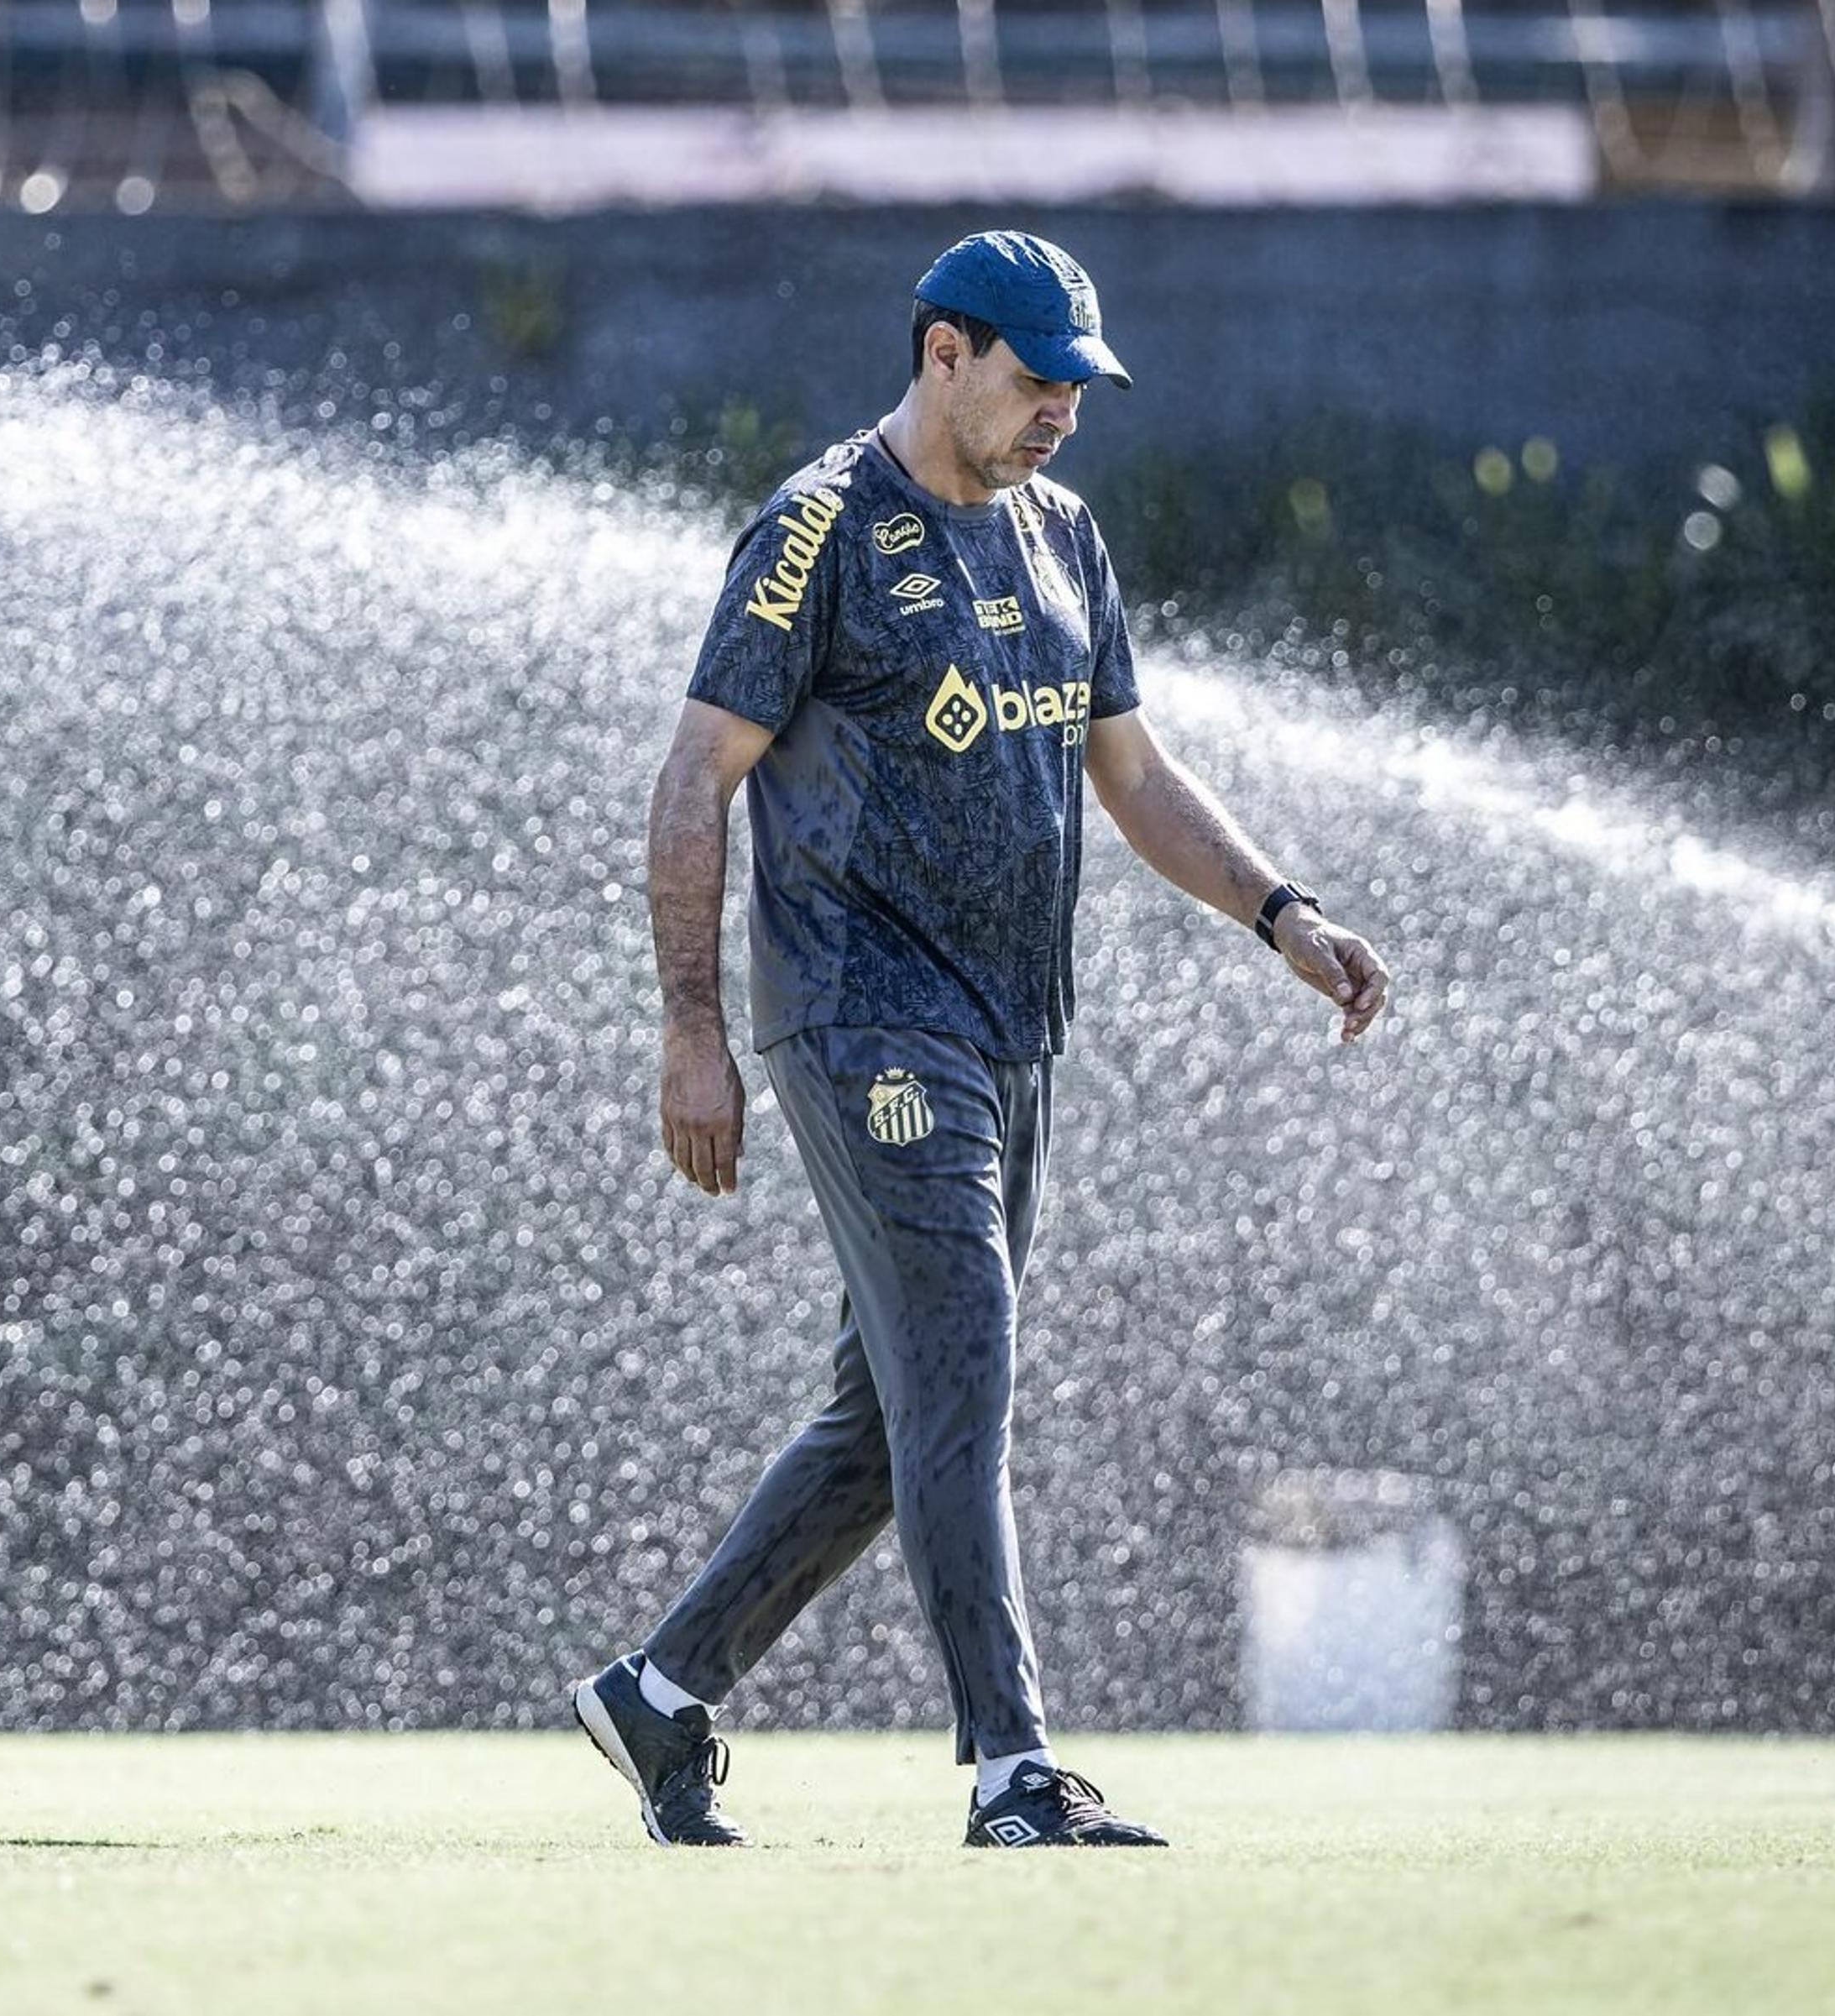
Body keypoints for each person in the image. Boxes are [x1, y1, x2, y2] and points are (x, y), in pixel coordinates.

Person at [571, 231, 1392, 1850]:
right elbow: (692, 781)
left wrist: (1283, 913)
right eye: (1035, 379)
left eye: (1080, 386)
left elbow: (1137, 779)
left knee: (894, 1416)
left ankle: (662, 1692)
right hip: (862, 1018)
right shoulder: (818, 532)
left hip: (1012, 1033)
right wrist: (691, 1031)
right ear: (944, 351)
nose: (1062, 413)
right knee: (969, 1356)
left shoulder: (1066, 537)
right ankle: (1015, 1768)